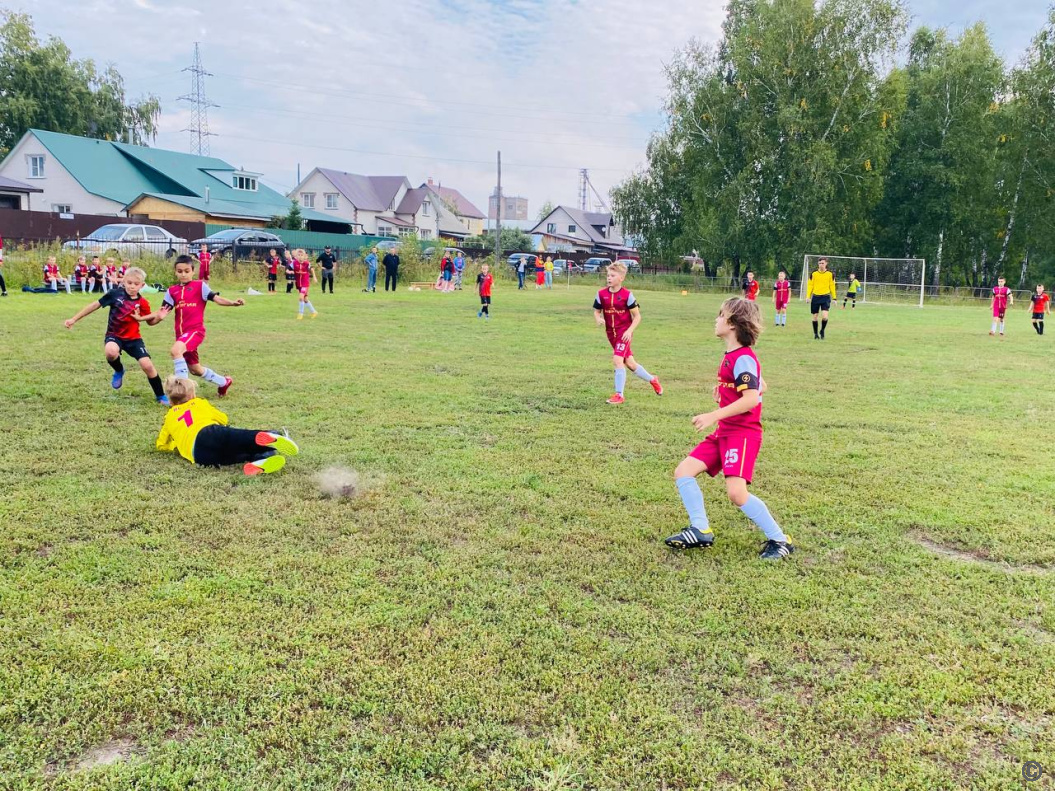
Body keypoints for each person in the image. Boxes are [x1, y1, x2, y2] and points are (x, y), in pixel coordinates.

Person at [664, 298, 794, 561]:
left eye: (720, 315)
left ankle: (781, 540)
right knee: (684, 472)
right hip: (725, 431)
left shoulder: (743, 357)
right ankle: (700, 530)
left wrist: (714, 414)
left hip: (742, 434)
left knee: (737, 493)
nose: (716, 319)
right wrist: (726, 390)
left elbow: (752, 397)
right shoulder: (733, 356)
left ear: (733, 323)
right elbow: (760, 385)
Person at [133, 255, 242, 396]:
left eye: (186, 271)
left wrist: (233, 302)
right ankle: (223, 382)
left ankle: (182, 392)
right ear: (175, 272)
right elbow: (159, 315)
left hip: (195, 331)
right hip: (182, 335)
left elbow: (217, 299)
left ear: (192, 271)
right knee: (195, 369)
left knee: (175, 351)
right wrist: (148, 319)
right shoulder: (172, 291)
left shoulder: (200, 286)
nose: (183, 274)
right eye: (179, 271)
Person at [63, 267, 169, 404]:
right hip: (114, 335)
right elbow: (95, 305)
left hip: (134, 339)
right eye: (129, 283)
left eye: (136, 284)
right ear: (124, 281)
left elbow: (150, 322)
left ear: (142, 285)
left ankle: (160, 395)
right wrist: (74, 319)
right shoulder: (115, 294)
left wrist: (159, 317)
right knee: (111, 352)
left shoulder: (142, 303)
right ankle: (119, 370)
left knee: (147, 365)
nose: (132, 286)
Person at [156, 376, 299, 476]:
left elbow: (161, 445)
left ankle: (261, 460)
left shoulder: (169, 417)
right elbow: (223, 418)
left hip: (199, 456)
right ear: (192, 394)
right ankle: (273, 435)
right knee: (242, 438)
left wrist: (176, 445)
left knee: (236, 454)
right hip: (209, 432)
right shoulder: (199, 403)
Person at [593, 261, 663, 404]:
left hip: (624, 334)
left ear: (621, 278)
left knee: (617, 360)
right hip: (611, 334)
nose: (609, 278)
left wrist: (629, 331)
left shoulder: (627, 295)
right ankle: (653, 379)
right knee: (630, 363)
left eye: (612, 275)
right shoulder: (601, 294)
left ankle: (619, 395)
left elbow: (637, 316)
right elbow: (596, 310)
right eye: (608, 275)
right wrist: (598, 318)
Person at [807, 257, 837, 339]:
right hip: (815, 297)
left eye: (823, 263)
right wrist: (808, 296)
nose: (821, 265)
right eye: (820, 263)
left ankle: (822, 330)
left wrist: (834, 298)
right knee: (815, 317)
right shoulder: (813, 274)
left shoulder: (830, 274)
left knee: (824, 317)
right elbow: (810, 286)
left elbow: (832, 286)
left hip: (826, 297)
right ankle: (816, 334)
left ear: (826, 263)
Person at [292, 248, 319, 319]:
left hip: (305, 283)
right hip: (298, 283)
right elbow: (288, 269)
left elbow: (312, 269)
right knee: (305, 299)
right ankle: (314, 312)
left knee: (301, 298)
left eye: (301, 255)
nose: (300, 256)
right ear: (296, 256)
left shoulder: (307, 263)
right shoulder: (294, 263)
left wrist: (314, 277)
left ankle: (300, 314)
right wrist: (289, 271)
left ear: (304, 256)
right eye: (299, 255)